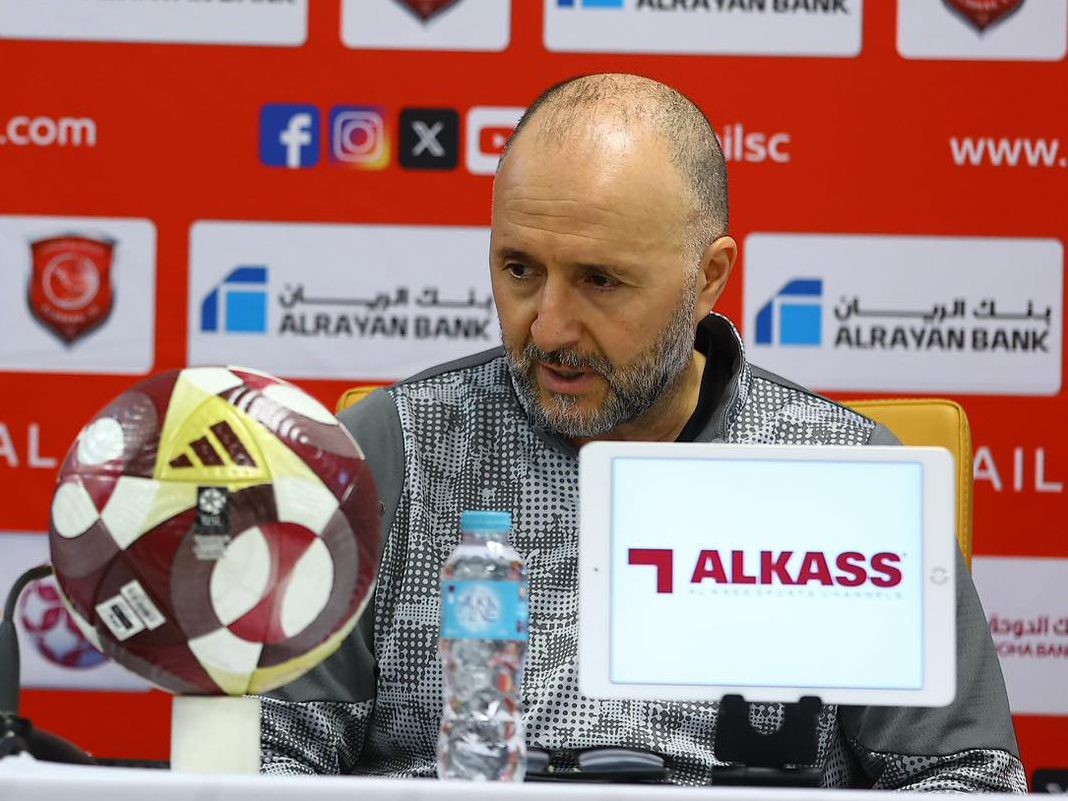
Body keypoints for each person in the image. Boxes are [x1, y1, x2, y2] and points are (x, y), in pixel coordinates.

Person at [260, 74, 1025, 790]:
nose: (549, 327)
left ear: (708, 276)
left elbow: (968, 780)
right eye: (520, 269)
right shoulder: (385, 453)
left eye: (599, 279)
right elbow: (266, 760)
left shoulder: (850, 480)